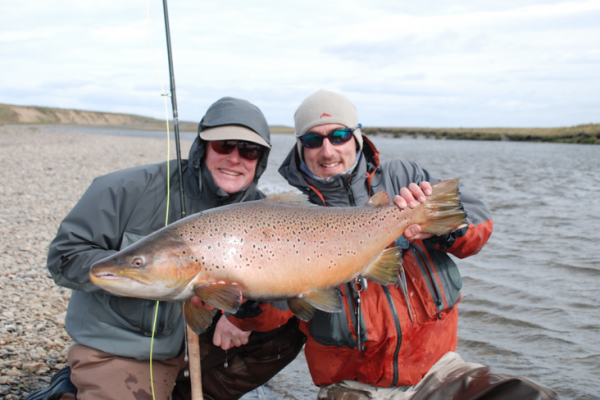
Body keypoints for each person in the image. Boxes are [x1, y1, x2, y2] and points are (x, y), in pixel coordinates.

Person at [225, 90, 562, 399]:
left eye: (339, 136)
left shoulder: (404, 176)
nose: (327, 150)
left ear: (356, 137)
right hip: (352, 387)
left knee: (532, 395)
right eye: (313, 140)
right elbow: (277, 315)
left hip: (439, 373)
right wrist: (245, 306)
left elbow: (478, 225)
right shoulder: (286, 214)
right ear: (301, 147)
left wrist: (443, 229)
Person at [30, 97, 305, 400]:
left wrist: (242, 311)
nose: (235, 158)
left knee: (290, 329)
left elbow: (285, 287)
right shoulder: (126, 189)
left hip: (199, 346)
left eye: (249, 151)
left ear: (260, 160)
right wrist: (137, 273)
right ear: (202, 147)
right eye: (224, 145)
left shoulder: (265, 214)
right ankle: (72, 386)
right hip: (128, 350)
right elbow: (65, 257)